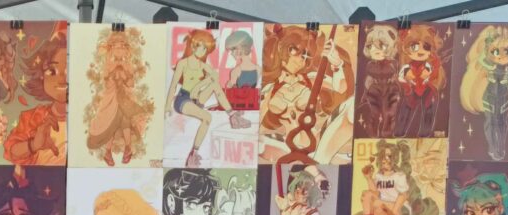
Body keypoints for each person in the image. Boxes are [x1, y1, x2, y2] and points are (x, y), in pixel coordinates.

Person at [260, 26, 355, 164]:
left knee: (352, 105)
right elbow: (255, 122)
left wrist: (337, 63)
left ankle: (320, 158)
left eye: (305, 55)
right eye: (296, 51)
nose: (301, 60)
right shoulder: (269, 90)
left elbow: (342, 89)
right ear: (281, 49)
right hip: (288, 149)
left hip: (319, 148)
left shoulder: (310, 80)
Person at [165, 29, 247, 168]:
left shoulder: (203, 65)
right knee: (207, 117)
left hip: (196, 99)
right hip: (183, 99)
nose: (204, 52)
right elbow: (173, 85)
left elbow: (215, 77)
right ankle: (193, 154)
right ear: (193, 46)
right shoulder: (183, 63)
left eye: (206, 49)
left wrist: (199, 86)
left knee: (215, 84)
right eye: (202, 48)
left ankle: (233, 116)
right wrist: (167, 106)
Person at [460, 26, 508, 161]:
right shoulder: (490, 66)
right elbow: (481, 59)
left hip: (503, 99)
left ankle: (500, 148)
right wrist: (487, 44)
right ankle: (493, 148)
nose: (501, 56)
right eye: (496, 52)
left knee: (502, 124)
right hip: (490, 98)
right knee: (490, 123)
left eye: (506, 52)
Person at [84, 30, 155, 166]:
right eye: (116, 46)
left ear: (126, 50)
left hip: (124, 97)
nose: (119, 49)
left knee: (124, 116)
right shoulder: (108, 65)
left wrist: (125, 75)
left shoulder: (128, 65)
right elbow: (107, 84)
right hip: (111, 98)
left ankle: (123, 148)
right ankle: (112, 150)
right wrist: (113, 74)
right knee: (113, 120)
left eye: (122, 46)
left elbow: (131, 84)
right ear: (111, 49)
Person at [2, 29, 68, 165]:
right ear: (41, 75)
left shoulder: (89, 118)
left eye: (69, 72)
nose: (62, 79)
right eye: (52, 71)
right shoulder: (33, 118)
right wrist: (33, 145)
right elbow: (11, 151)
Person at [395, 24, 445, 137]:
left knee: (429, 111)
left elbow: (435, 73)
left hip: (427, 90)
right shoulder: (406, 68)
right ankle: (400, 132)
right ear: (405, 49)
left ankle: (425, 133)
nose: (421, 51)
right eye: (414, 47)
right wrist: (407, 80)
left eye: (426, 47)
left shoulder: (429, 65)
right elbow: (401, 79)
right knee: (406, 110)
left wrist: (429, 75)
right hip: (412, 91)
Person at [358, 24, 400, 137]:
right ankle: (372, 133)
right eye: (371, 46)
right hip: (374, 90)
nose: (375, 49)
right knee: (373, 113)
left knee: (389, 113)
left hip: (390, 89)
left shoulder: (393, 64)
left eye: (381, 45)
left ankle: (387, 133)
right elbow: (368, 82)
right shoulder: (370, 65)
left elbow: (396, 78)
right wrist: (364, 96)